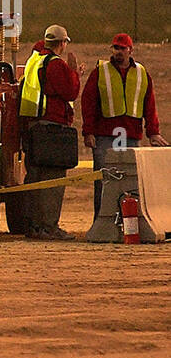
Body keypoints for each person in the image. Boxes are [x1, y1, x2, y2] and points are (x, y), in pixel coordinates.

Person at [81, 32, 167, 218]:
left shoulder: (142, 73)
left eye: (122, 48)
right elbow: (88, 102)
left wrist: (153, 132)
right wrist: (88, 132)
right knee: (104, 180)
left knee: (131, 181)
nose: (118, 51)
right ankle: (102, 221)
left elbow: (149, 104)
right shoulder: (100, 72)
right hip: (104, 135)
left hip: (131, 136)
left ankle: (129, 222)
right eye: (116, 48)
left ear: (130, 50)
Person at [18, 24, 84, 240]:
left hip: (33, 125)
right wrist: (74, 73)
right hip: (51, 127)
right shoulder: (55, 64)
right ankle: (48, 227)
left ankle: (34, 227)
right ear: (62, 43)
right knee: (52, 181)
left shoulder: (34, 59)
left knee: (35, 178)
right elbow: (70, 92)